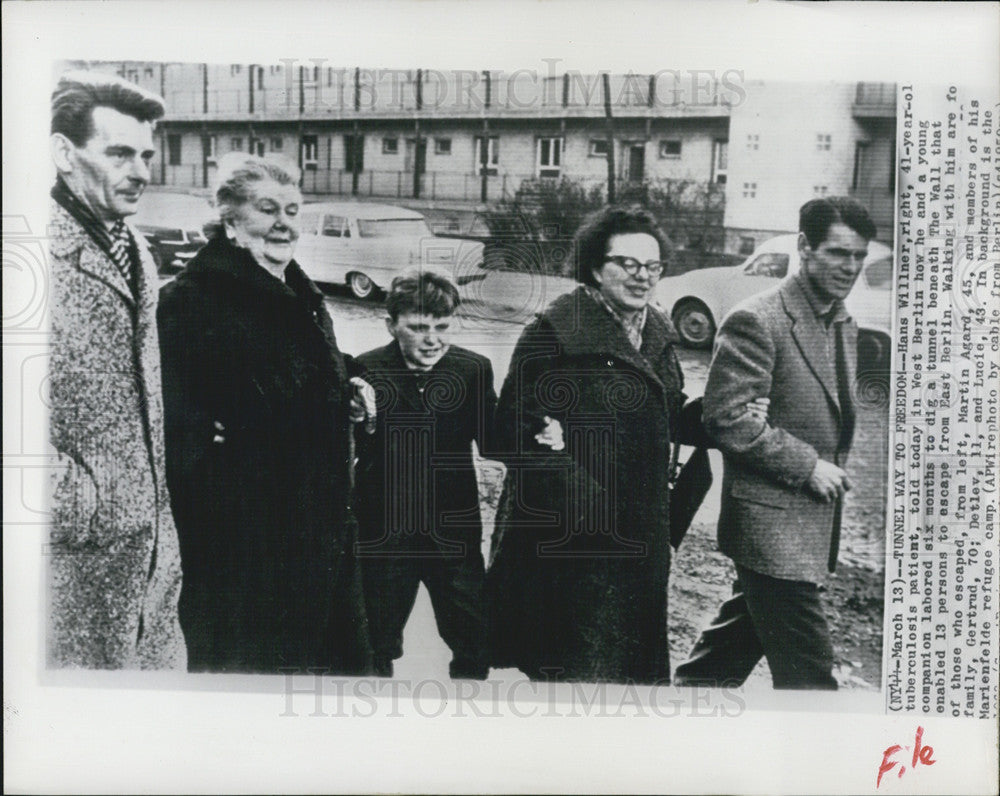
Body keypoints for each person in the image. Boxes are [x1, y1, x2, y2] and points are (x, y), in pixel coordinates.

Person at [157, 152, 375, 674]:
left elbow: (309, 363)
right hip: (247, 544)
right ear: (230, 219)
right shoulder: (191, 300)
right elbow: (174, 422)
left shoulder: (298, 290)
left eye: (294, 210)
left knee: (329, 675)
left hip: (321, 529)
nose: (284, 223)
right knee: (259, 679)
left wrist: (351, 382)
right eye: (268, 208)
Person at [486, 205, 710, 684]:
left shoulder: (657, 333)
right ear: (593, 267)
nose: (642, 277)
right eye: (628, 264)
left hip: (638, 538)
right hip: (568, 541)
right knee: (571, 676)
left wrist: (713, 416)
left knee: (625, 677)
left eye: (652, 267)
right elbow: (509, 432)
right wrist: (584, 499)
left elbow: (665, 412)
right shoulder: (552, 335)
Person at [673, 196, 876, 690]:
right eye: (837, 253)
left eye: (857, 257)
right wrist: (807, 465)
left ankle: (680, 714)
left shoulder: (842, 321)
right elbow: (727, 418)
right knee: (810, 679)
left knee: (725, 656)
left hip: (804, 527)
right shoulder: (757, 318)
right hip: (769, 528)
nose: (849, 267)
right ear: (804, 247)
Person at [47, 70, 185, 669]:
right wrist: (80, 501)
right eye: (120, 153)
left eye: (147, 154)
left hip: (151, 565)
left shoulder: (133, 247)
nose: (141, 171)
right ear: (63, 153)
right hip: (66, 569)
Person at [353, 269, 497, 680]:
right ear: (391, 325)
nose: (432, 338)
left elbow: (495, 441)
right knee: (374, 641)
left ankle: (465, 725)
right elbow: (349, 446)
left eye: (442, 326)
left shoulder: (472, 370)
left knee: (474, 638)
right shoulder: (367, 371)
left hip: (452, 530)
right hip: (384, 533)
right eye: (418, 327)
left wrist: (541, 426)